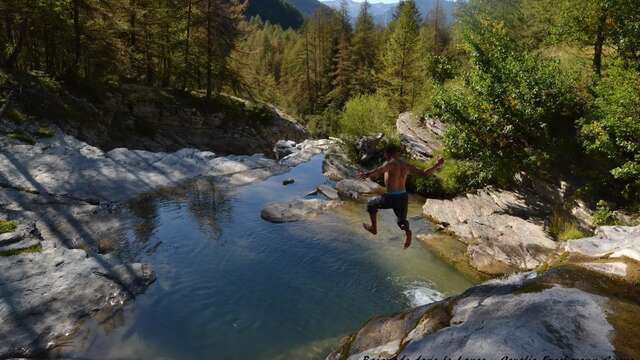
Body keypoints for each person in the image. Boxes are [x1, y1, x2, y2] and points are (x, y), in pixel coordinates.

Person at [358, 144, 445, 249]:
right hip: (403, 197)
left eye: (385, 153)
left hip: (391, 197)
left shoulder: (390, 163)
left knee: (371, 205)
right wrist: (436, 165)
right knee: (401, 221)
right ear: (397, 153)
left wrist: (367, 174)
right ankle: (407, 231)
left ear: (387, 153)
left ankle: (373, 228)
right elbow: (423, 173)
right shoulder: (406, 165)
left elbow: (380, 170)